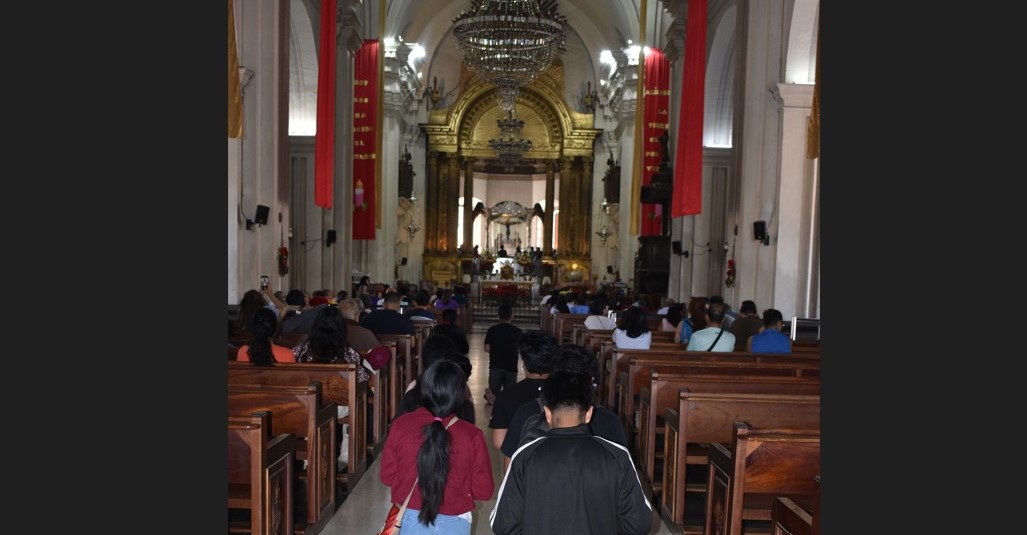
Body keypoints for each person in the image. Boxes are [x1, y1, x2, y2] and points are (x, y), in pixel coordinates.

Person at [489, 369, 653, 535]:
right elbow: (639, 524)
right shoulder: (616, 455)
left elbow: (503, 525)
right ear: (589, 413)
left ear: (547, 414)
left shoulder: (524, 456)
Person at [380, 359, 495, 534]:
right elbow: (484, 491)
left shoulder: (401, 425)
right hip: (456, 522)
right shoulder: (472, 435)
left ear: (423, 389)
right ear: (460, 394)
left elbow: (387, 477)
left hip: (409, 517)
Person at [499, 344, 627, 467]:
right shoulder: (609, 421)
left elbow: (510, 464)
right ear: (591, 380)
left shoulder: (527, 412)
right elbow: (622, 467)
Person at [488, 330, 559, 450]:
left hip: (521, 457)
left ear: (524, 363)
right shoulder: (565, 392)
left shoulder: (506, 396)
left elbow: (499, 441)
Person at [394, 334, 476, 423]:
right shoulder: (462, 390)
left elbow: (398, 422)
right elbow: (470, 424)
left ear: (423, 359)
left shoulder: (413, 388)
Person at [293, 305, 369, 383]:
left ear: (315, 327)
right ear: (341, 329)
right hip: (339, 390)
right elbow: (362, 379)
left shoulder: (301, 350)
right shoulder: (348, 353)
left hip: (307, 389)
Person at [483, 303, 524, 404]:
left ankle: (492, 399)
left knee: (493, 394)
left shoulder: (492, 330)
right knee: (510, 396)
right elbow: (521, 349)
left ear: (498, 316)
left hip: (495, 366)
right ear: (512, 316)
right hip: (511, 367)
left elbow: (487, 348)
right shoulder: (518, 331)